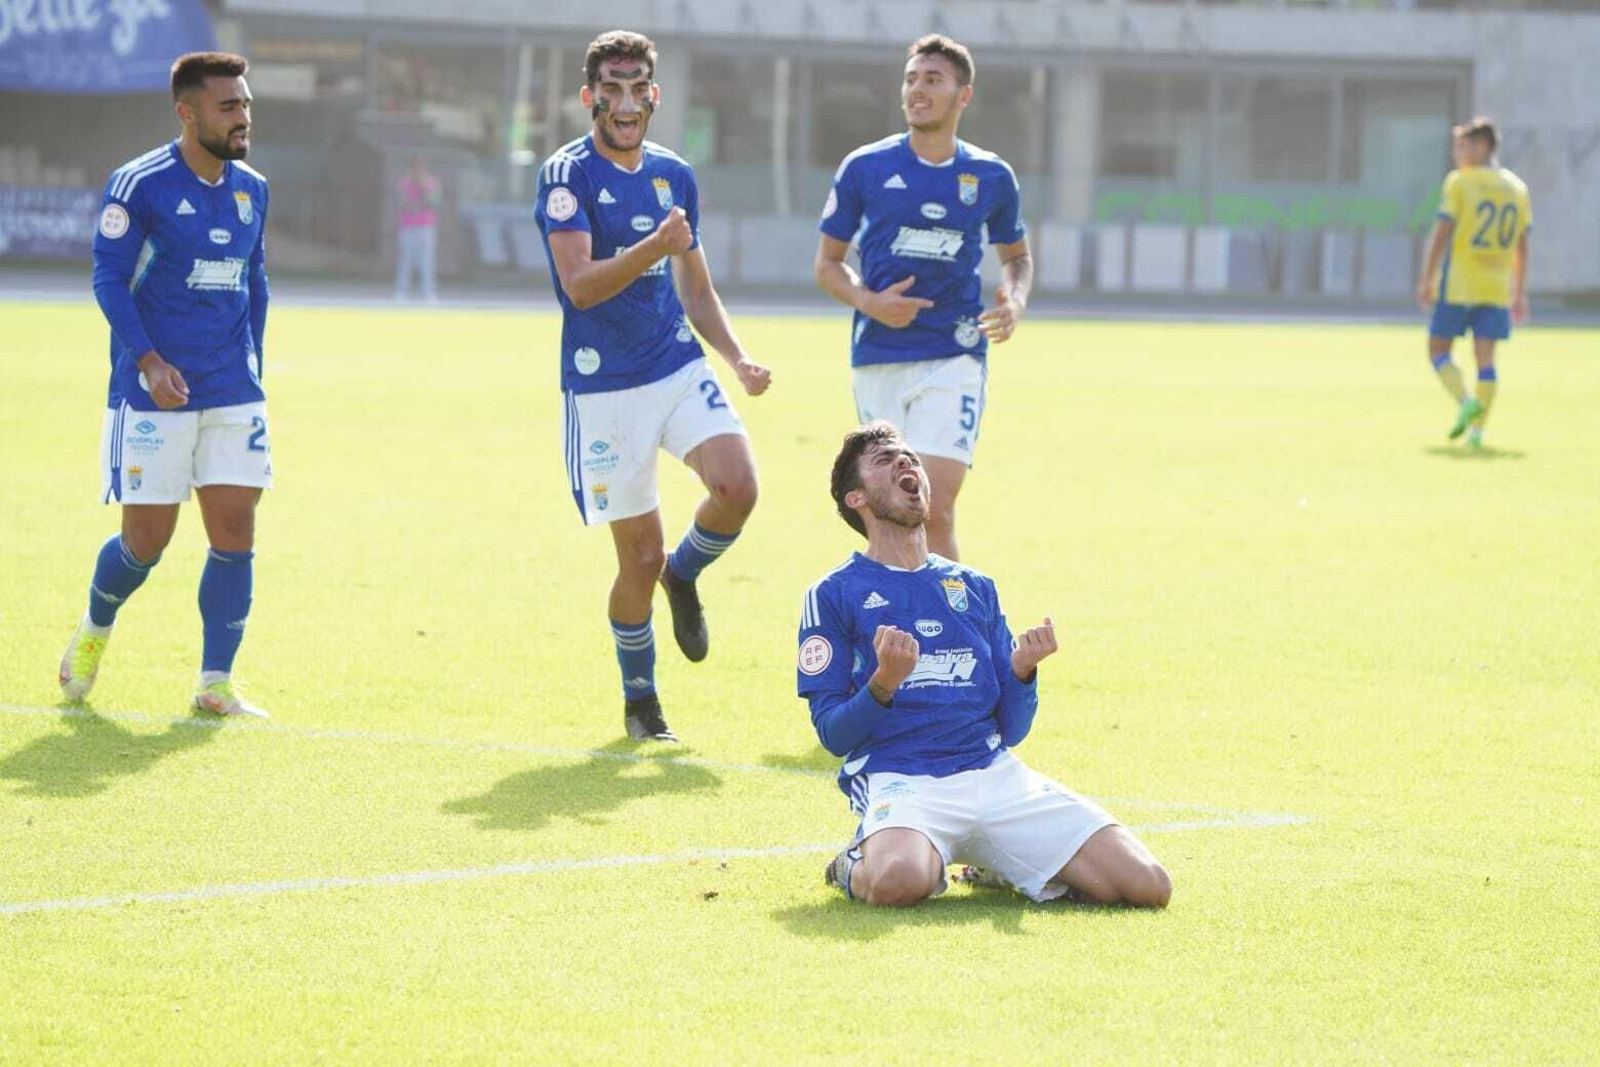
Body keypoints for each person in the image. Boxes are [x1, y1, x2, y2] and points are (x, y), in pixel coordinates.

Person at [797, 423, 1171, 909]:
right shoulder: (832, 594)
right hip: (902, 780)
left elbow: (1011, 730)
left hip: (995, 775)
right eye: (885, 460)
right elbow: (833, 735)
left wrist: (1022, 673)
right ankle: (851, 863)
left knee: (1147, 885)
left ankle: (999, 864)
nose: (906, 463)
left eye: (910, 457)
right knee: (897, 883)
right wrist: (883, 684)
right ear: (857, 499)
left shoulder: (974, 588)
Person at [535, 30, 771, 743]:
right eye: (612, 88)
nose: (626, 102)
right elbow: (579, 286)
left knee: (738, 487)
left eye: (639, 88)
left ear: (655, 96)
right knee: (638, 558)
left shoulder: (674, 175)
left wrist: (736, 357)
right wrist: (654, 247)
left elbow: (694, 286)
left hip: (676, 365)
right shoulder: (566, 175)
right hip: (603, 387)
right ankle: (641, 701)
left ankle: (685, 574)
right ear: (590, 97)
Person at [61, 51, 273, 718]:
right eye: (228, 106)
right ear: (187, 112)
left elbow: (255, 280)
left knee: (235, 525)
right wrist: (149, 361)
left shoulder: (253, 188)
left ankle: (215, 682)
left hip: (232, 388)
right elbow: (108, 277)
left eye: (245, 104)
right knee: (146, 541)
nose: (243, 117)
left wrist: (256, 365)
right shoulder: (139, 184)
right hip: (154, 391)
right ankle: (94, 627)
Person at [814, 35, 1033, 561]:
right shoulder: (864, 167)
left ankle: (951, 614)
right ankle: (895, 610)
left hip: (955, 353)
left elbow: (1017, 257)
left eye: (933, 80)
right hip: (879, 357)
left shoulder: (991, 176)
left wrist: (1015, 300)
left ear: (964, 95)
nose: (917, 89)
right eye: (911, 78)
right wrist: (870, 302)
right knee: (888, 512)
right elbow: (826, 265)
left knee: (934, 509)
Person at [1415, 116, 1532, 448]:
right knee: (1486, 361)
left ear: (1483, 146)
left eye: (1462, 146)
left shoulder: (1460, 182)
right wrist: (1519, 291)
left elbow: (1442, 233)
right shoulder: (1517, 188)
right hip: (1496, 287)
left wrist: (1427, 278)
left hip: (1460, 284)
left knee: (1437, 349)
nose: (1457, 154)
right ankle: (1478, 432)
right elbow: (1522, 245)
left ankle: (1466, 401)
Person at [394, 157, 440, 302]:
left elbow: (433, 203)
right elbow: (402, 204)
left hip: (425, 227)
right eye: (415, 168)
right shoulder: (404, 183)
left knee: (426, 261)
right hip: (408, 227)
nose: (417, 172)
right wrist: (411, 202)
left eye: (421, 168)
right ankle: (401, 292)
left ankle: (428, 293)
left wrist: (423, 188)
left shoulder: (431, 183)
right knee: (406, 260)